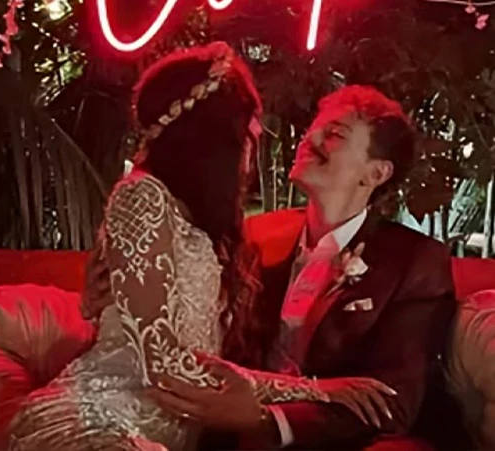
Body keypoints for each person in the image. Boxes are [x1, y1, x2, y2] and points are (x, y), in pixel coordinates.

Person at [7, 47, 393, 451]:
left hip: (180, 434)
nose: (256, 138)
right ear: (217, 135)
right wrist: (314, 390)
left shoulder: (222, 232)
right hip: (102, 421)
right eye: (248, 127)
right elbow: (164, 361)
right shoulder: (142, 197)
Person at [150, 85, 457, 450]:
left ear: (375, 173)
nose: (309, 139)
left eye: (335, 133)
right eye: (314, 128)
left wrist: (269, 422)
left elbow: (393, 400)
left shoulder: (413, 260)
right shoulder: (257, 234)